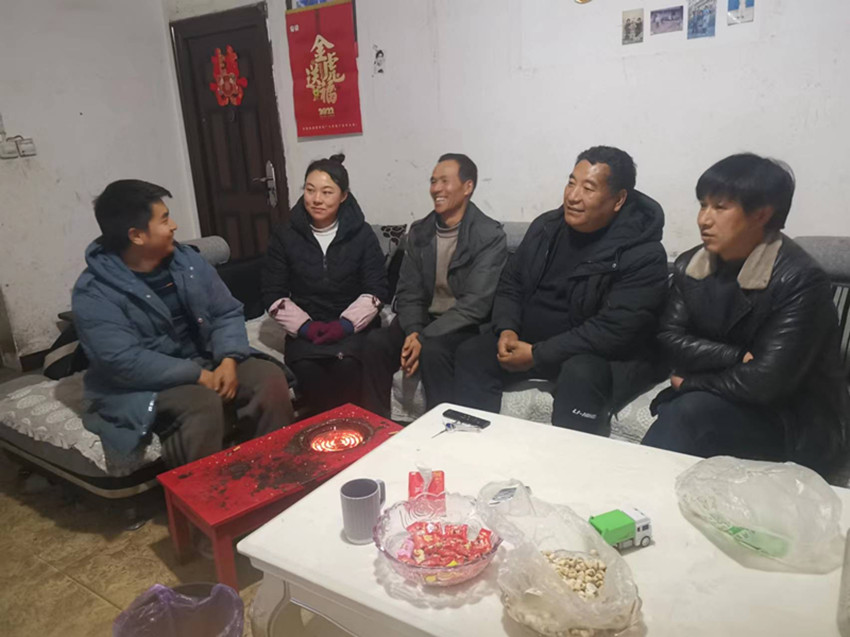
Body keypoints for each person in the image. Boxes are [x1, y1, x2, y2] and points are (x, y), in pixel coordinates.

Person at [642, 154, 849, 475]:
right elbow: (668, 339)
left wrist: (691, 382)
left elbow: (766, 382)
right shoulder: (690, 265)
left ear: (761, 214)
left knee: (689, 413)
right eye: (703, 205)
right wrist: (736, 355)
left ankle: (637, 495)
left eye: (720, 208)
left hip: (794, 419)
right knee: (687, 414)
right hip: (725, 398)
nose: (704, 219)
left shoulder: (799, 279)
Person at [73, 180, 294, 468]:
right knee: (200, 403)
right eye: (165, 220)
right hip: (142, 383)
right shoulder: (95, 291)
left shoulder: (186, 261)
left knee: (268, 378)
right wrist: (198, 375)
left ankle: (278, 471)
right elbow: (122, 360)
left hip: (205, 359)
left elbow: (226, 312)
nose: (174, 226)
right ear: (137, 235)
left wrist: (228, 360)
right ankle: (204, 490)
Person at [454, 146, 669, 433]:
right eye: (571, 183)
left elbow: (613, 331)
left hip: (592, 354)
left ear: (618, 200)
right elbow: (511, 283)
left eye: (588, 188)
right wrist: (507, 329)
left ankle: (568, 460)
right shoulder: (546, 228)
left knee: (581, 373)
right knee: (472, 353)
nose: (573, 196)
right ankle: (473, 446)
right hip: (532, 343)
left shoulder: (643, 253)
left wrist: (538, 354)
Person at [361, 153, 507, 417]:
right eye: (433, 181)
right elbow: (408, 292)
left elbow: (475, 305)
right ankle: (378, 425)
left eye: (444, 181)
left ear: (468, 187)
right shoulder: (420, 232)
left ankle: (442, 427)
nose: (436, 188)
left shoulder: (488, 235)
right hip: (422, 321)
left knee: (434, 351)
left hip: (464, 325)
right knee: (375, 344)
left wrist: (424, 338)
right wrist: (414, 331)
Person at [262, 154, 389, 415]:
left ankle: (354, 427)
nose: (317, 199)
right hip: (307, 327)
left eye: (327, 192)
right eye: (310, 190)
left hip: (354, 327)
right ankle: (323, 430)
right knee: (307, 367)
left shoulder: (362, 234)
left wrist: (345, 325)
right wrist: (305, 327)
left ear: (343, 196)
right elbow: (272, 292)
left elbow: (376, 289)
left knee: (347, 364)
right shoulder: (284, 235)